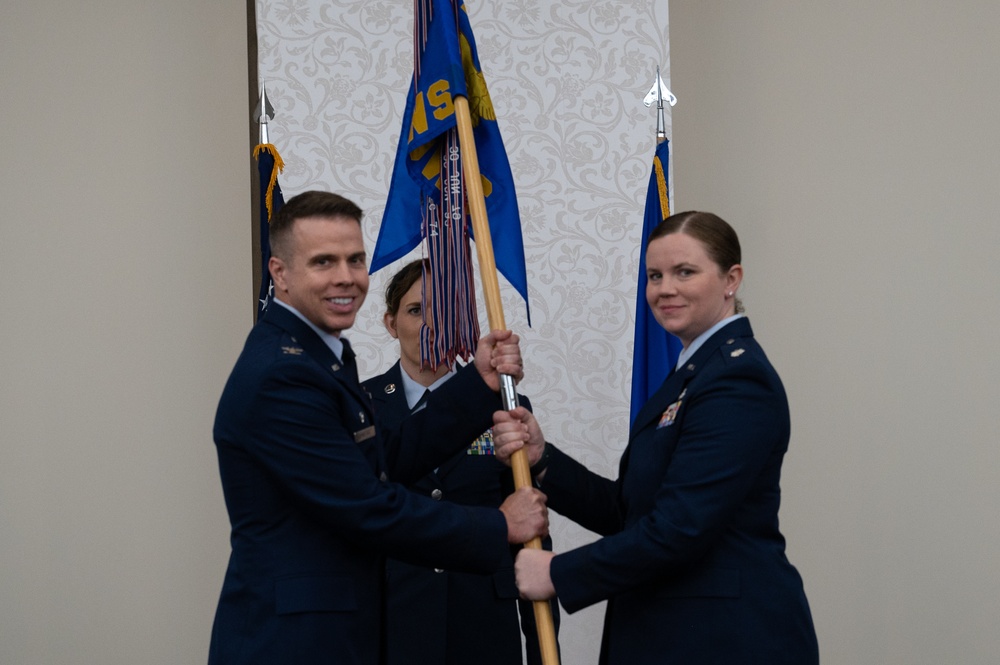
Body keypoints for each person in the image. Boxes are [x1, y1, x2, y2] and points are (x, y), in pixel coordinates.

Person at [209, 191, 548, 665]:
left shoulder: (319, 355)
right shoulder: (282, 375)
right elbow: (366, 506)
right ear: (280, 274)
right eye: (323, 262)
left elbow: (388, 459)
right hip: (296, 642)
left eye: (355, 259)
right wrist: (499, 525)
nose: (345, 277)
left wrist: (478, 383)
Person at [494, 211, 819, 664]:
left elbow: (680, 529)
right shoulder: (694, 373)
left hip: (724, 640)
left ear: (731, 279)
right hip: (673, 634)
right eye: (654, 275)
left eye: (685, 272)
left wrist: (559, 572)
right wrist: (542, 459)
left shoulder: (738, 379)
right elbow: (633, 513)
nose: (665, 289)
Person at [363, 260, 558, 665]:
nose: (430, 324)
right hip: (392, 626)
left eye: (444, 311)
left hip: (484, 625)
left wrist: (543, 652)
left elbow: (533, 536)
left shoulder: (505, 407)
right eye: (416, 310)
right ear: (390, 322)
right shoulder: (360, 408)